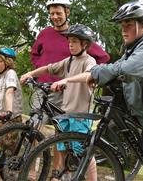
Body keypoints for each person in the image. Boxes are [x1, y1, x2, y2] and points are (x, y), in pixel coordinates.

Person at [53, 1, 143, 181]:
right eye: (122, 25)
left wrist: (98, 74)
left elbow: (126, 69)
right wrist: (86, 77)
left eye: (129, 25)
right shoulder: (134, 48)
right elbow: (114, 67)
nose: (124, 30)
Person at [21, 24, 98, 181]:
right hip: (66, 113)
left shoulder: (89, 61)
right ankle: (61, 177)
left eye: (74, 41)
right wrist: (31, 73)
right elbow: (49, 68)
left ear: (85, 44)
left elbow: (88, 76)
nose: (70, 44)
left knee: (83, 152)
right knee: (62, 148)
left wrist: (66, 80)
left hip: (81, 116)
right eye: (69, 41)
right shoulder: (69, 61)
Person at [29, 0, 110, 114]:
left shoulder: (77, 36)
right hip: (43, 87)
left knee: (61, 129)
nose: (55, 17)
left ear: (67, 12)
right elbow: (34, 54)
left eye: (58, 13)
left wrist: (88, 76)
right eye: (52, 14)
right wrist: (39, 69)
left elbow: (103, 57)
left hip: (65, 90)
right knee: (34, 124)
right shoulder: (44, 34)